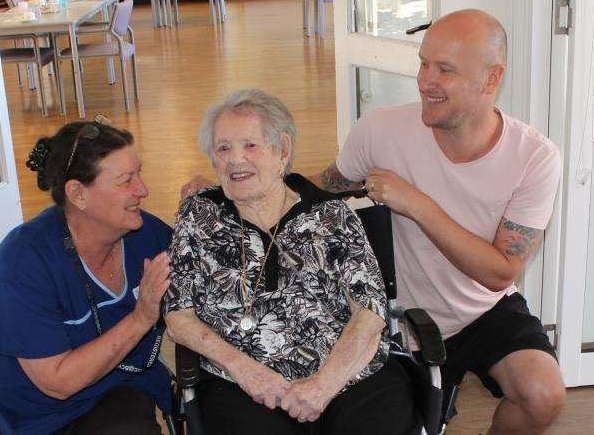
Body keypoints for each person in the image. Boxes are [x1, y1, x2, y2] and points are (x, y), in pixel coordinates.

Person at [310, 9, 566, 434]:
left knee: (543, 394)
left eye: (444, 69)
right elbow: (320, 188)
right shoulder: (379, 130)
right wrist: (237, 185)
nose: (426, 81)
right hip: (397, 316)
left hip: (482, 310)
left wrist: (416, 203)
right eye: (424, 63)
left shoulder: (535, 159)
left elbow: (500, 273)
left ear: (491, 79)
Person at [164, 89, 420, 435]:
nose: (235, 160)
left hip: (349, 377)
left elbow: (370, 312)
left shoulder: (332, 215)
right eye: (223, 148)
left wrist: (323, 386)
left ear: (282, 149)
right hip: (242, 386)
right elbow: (179, 317)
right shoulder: (198, 216)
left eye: (250, 146)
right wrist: (247, 372)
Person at [0, 121, 172, 434]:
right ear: (78, 194)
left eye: (139, 173)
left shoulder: (146, 234)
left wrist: (207, 207)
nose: (143, 190)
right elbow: (58, 382)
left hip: (119, 390)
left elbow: (205, 284)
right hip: (40, 417)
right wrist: (141, 318)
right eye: (126, 181)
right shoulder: (19, 266)